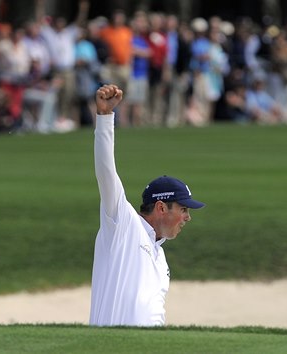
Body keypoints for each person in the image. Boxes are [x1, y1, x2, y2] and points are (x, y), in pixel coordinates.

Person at [90, 84, 205, 326]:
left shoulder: (160, 256)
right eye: (183, 209)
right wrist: (105, 118)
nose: (187, 218)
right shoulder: (122, 224)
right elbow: (106, 172)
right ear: (162, 208)